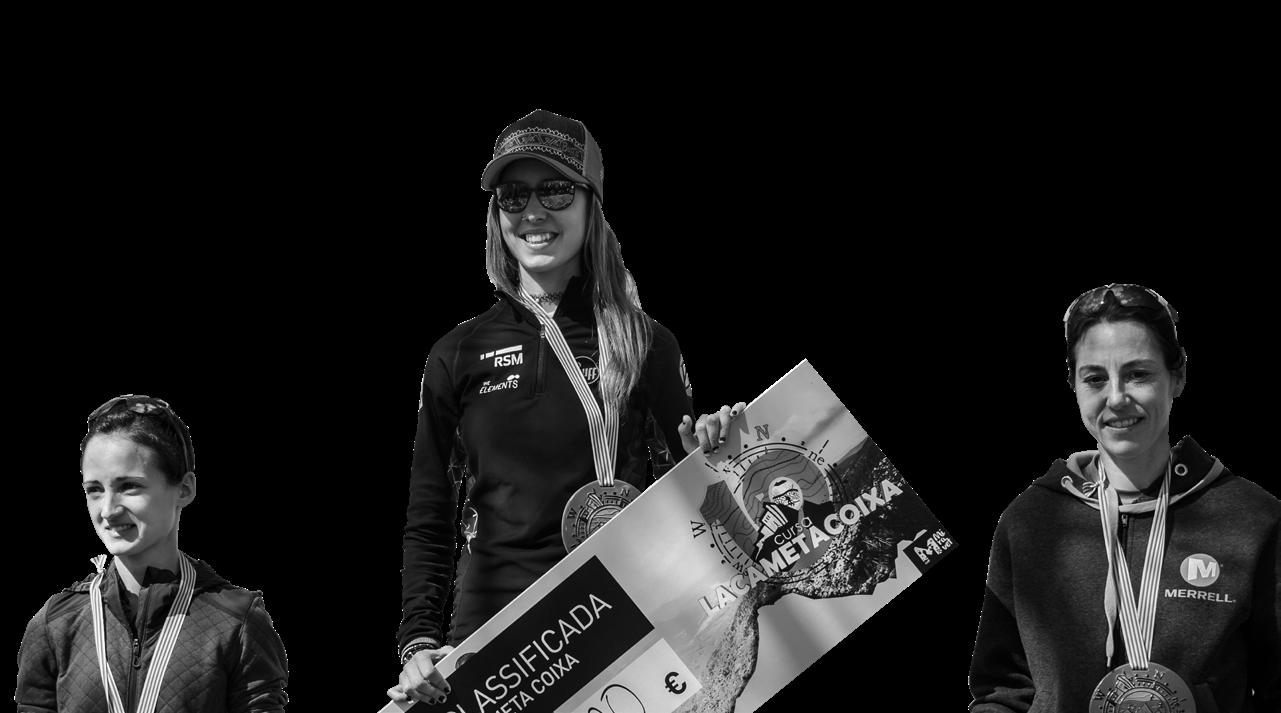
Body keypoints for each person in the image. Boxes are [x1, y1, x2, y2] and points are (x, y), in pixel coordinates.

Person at [390, 109, 743, 705]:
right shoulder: (457, 352)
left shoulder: (647, 343)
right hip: (498, 637)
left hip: (627, 611)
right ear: (496, 214)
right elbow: (430, 510)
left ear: (590, 205)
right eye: (513, 195)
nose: (533, 211)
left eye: (555, 190)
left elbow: (691, 505)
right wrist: (418, 639)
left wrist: (710, 457)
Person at [968, 285, 1280, 711]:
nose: (1116, 398)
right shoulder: (1030, 521)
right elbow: (1002, 690)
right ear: (1074, 386)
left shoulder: (1252, 520)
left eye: (1138, 374)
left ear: (1178, 376)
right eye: (1095, 378)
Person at [14, 395, 290, 713]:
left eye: (129, 486)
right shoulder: (55, 624)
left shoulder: (237, 623)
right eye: (94, 490)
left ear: (184, 489)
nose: (108, 510)